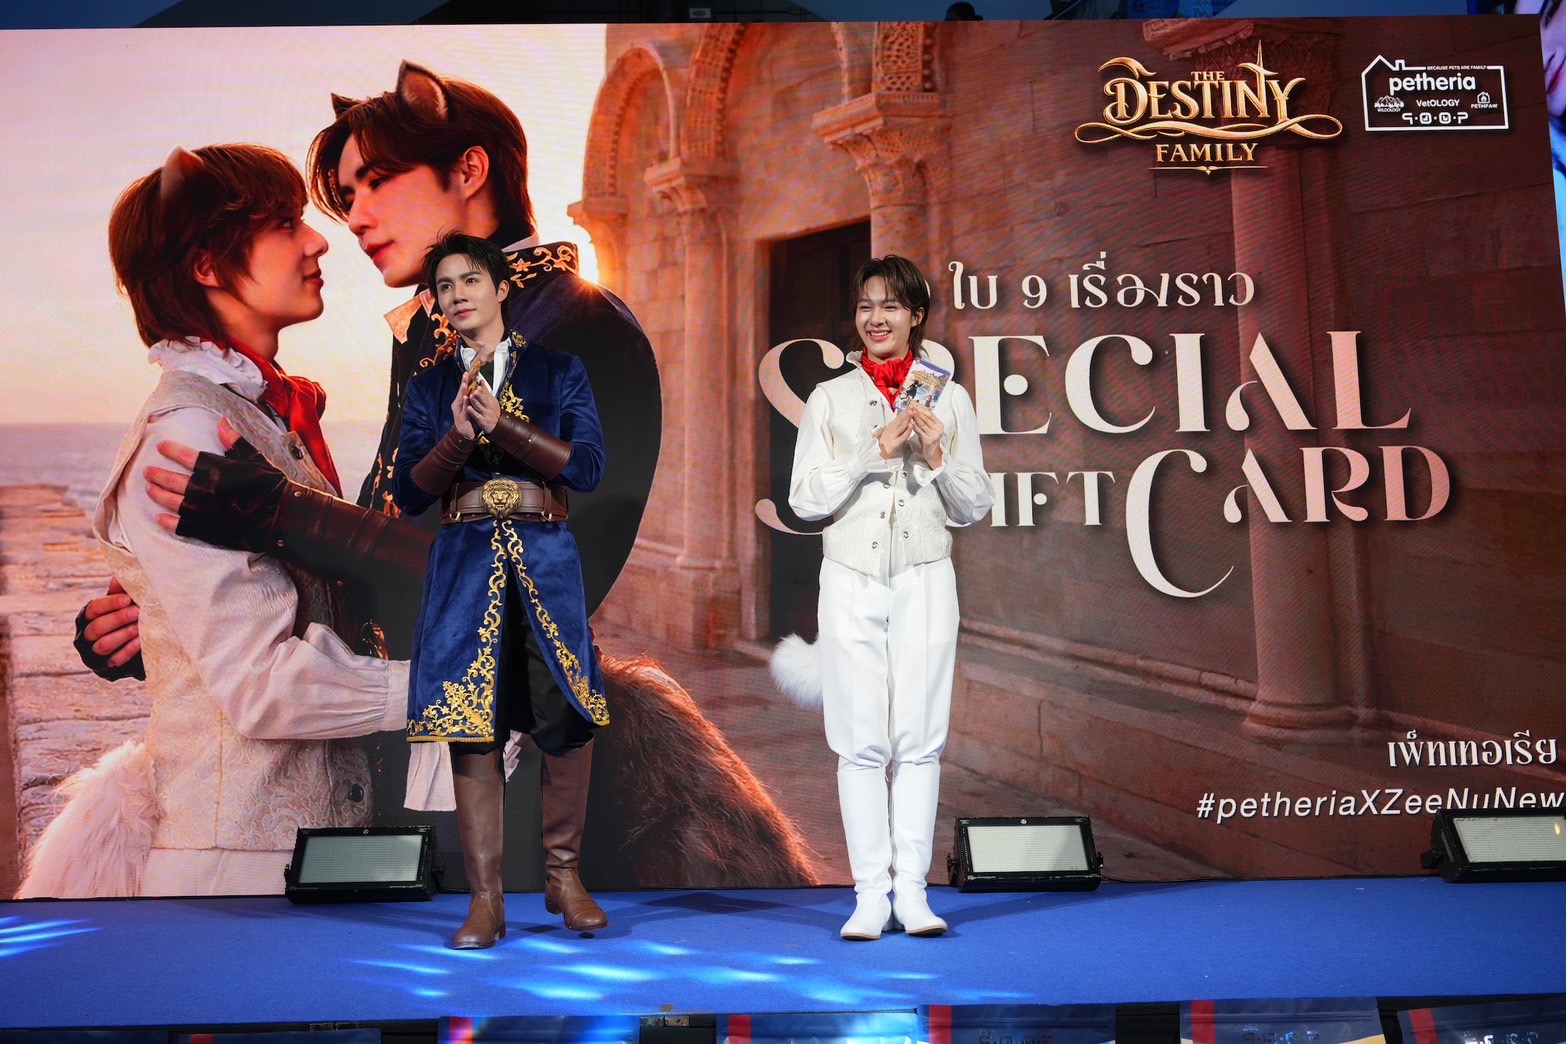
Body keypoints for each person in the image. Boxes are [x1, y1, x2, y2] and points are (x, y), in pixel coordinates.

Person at [71, 60, 822, 906]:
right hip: (396, 760)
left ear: (469, 170)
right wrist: (171, 617)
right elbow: (398, 538)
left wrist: (282, 513)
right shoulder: (436, 335)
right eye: (343, 195)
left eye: (376, 181)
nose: (351, 219)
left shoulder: (573, 323)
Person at [19, 144, 408, 898]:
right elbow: (263, 686)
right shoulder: (188, 432)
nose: (318, 241)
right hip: (243, 872)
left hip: (309, 852)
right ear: (206, 265)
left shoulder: (254, 413)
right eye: (285, 224)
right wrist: (462, 689)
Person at [395, 232, 607, 948]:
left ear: (501, 287)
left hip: (546, 561)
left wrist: (505, 427)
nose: (457, 295)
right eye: (444, 286)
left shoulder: (559, 370)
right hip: (463, 566)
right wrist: (458, 436)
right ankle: (486, 901)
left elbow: (587, 469)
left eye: (470, 280)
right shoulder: (429, 387)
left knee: (566, 714)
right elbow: (409, 493)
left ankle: (564, 878)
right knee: (472, 724)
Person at [785, 255, 993, 940]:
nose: (876, 319)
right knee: (860, 742)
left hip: (925, 576)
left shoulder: (949, 399)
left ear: (916, 316)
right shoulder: (830, 398)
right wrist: (869, 454)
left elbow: (974, 505)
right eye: (866, 306)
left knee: (920, 740)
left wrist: (936, 459)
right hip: (850, 576)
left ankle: (914, 892)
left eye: (891, 306)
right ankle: (870, 894)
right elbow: (804, 499)